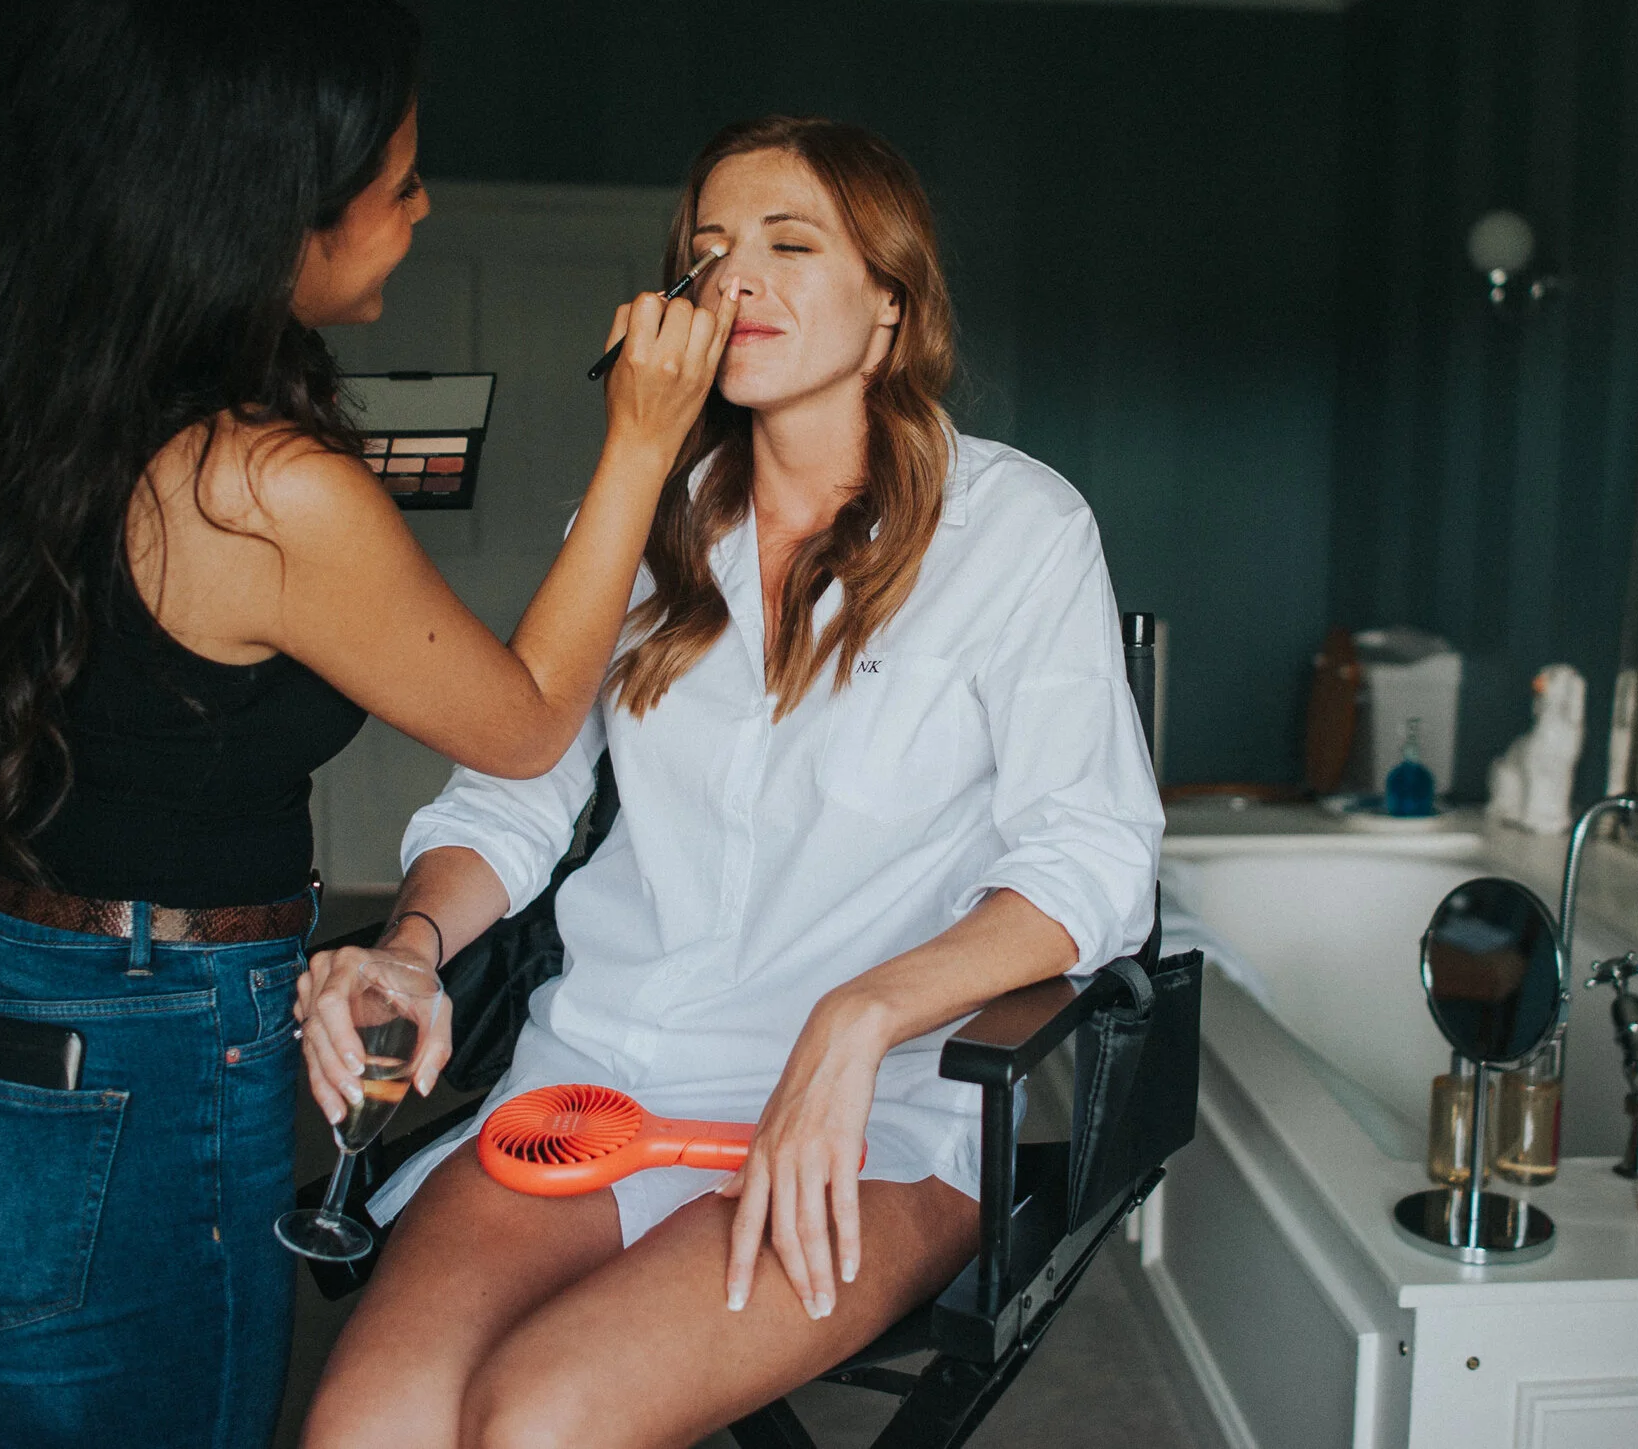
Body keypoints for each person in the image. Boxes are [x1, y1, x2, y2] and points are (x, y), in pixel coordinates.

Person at [0, 0, 733, 1447]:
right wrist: (645, 442)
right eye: (395, 185)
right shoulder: (260, 488)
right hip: (133, 1058)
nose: (420, 208)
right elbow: (531, 722)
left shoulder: (67, 380)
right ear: (270, 213)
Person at [296, 116, 1162, 1449]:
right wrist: (410, 944)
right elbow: (512, 794)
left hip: (876, 1121)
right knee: (370, 1429)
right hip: (595, 1085)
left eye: (788, 244)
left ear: (892, 305)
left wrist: (859, 1016)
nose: (731, 280)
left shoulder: (1019, 533)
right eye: (705, 253)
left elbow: (1093, 862)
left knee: (539, 1421)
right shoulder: (639, 521)